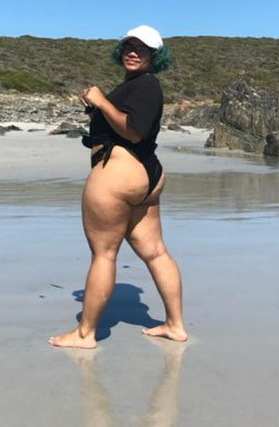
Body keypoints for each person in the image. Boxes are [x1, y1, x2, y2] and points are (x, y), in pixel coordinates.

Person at [48, 25, 187, 349]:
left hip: (118, 174)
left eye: (142, 48)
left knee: (104, 254)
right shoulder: (138, 86)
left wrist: (101, 101)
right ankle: (175, 325)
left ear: (156, 56)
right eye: (128, 46)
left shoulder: (145, 85)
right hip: (145, 176)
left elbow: (134, 130)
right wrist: (97, 106)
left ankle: (85, 334)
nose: (133, 52)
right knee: (155, 252)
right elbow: (122, 122)